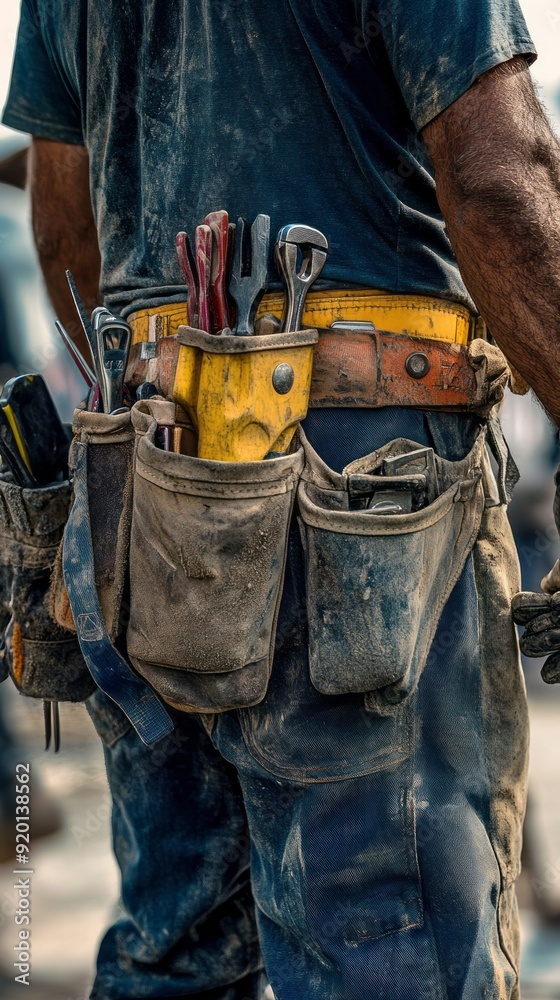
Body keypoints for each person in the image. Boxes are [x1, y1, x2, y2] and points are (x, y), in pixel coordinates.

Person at [2, 2, 559, 997]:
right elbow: (498, 184)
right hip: (356, 495)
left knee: (176, 946)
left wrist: (174, 417)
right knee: (388, 949)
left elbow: (63, 226)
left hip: (145, 493)